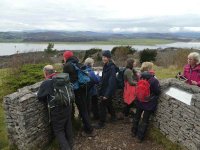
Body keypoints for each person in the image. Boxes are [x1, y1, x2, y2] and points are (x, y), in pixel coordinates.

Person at [37, 65, 73, 150]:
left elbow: (40, 96)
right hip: (67, 105)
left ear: (45, 72)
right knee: (68, 126)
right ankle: (70, 145)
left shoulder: (47, 82)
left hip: (57, 109)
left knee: (59, 130)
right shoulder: (61, 77)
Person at [63, 50, 94, 136]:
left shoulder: (67, 65)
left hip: (77, 90)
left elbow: (66, 79)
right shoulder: (77, 63)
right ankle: (87, 126)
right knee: (84, 108)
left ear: (66, 57)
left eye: (64, 57)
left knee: (83, 110)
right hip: (83, 88)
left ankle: (89, 130)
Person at [132, 62, 160, 143]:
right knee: (145, 120)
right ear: (149, 69)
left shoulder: (140, 77)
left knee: (137, 117)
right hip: (149, 102)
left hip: (140, 100)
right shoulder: (154, 80)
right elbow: (157, 91)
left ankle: (133, 132)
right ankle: (139, 137)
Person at [95, 50, 119, 129]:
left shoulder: (111, 67)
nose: (104, 58)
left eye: (105, 57)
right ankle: (113, 117)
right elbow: (104, 78)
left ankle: (101, 123)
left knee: (102, 106)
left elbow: (112, 82)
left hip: (107, 91)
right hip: (105, 89)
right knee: (109, 104)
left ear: (109, 58)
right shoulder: (106, 65)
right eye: (103, 57)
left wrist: (106, 94)